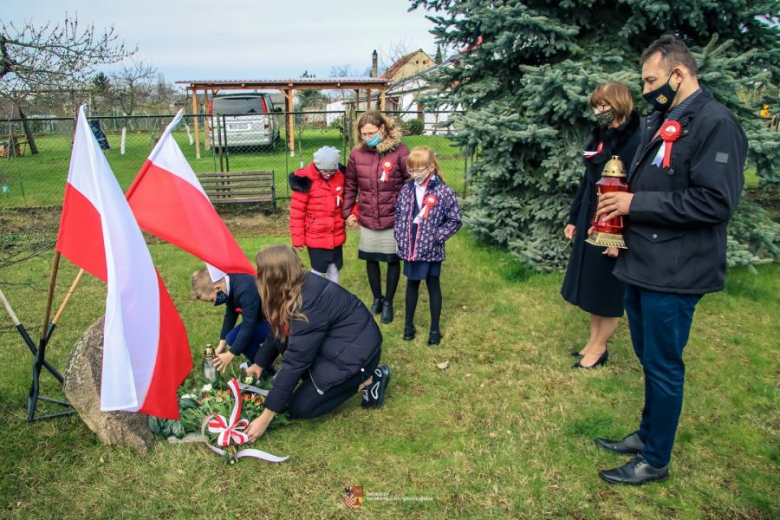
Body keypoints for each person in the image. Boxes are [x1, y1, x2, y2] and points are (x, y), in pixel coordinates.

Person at [593, 35, 747, 485]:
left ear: (679, 75)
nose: (646, 90)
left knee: (663, 364)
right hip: (643, 263)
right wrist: (612, 222)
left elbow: (714, 202)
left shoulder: (717, 123)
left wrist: (632, 206)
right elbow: (653, 183)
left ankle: (655, 459)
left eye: (652, 80)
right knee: (648, 357)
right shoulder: (664, 118)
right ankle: (646, 435)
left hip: (676, 270)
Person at [243, 245, 392, 441]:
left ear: (274, 277)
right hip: (336, 346)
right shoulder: (292, 287)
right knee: (284, 345)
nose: (257, 277)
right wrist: (260, 363)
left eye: (260, 272)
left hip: (357, 356)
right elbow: (278, 332)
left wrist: (266, 415)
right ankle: (330, 380)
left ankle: (370, 380)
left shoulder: (310, 303)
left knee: (300, 408)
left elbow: (296, 361)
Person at [561, 82, 640, 369]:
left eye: (603, 105)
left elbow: (636, 188)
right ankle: (593, 340)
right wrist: (574, 218)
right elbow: (588, 181)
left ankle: (600, 348)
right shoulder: (601, 136)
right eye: (596, 106)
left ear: (619, 103)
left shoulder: (637, 138)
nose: (599, 111)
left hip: (615, 224)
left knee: (607, 289)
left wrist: (619, 236)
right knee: (593, 284)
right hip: (592, 217)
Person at [342, 111, 410, 324]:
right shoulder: (356, 154)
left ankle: (388, 301)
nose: (367, 137)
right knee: (370, 258)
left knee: (391, 260)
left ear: (382, 129)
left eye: (371, 132)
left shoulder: (400, 151)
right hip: (368, 215)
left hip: (393, 217)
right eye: (363, 134)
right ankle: (377, 298)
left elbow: (410, 181)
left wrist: (406, 211)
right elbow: (350, 184)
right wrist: (347, 212)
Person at [393, 147, 462, 346]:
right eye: (411, 170)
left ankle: (434, 330)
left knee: (433, 286)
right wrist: (399, 234)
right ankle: (408, 326)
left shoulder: (444, 192)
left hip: (431, 249)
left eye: (418, 169)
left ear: (430, 167)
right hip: (410, 248)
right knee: (411, 285)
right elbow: (398, 215)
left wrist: (435, 237)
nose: (414, 174)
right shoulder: (406, 189)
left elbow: (454, 220)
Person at [289, 146, 354, 285]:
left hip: (336, 234)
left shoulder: (341, 176)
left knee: (334, 267)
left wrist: (353, 213)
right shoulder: (305, 180)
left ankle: (334, 296)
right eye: (325, 171)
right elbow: (297, 213)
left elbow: (349, 199)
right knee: (317, 270)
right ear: (317, 166)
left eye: (332, 171)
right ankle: (316, 297)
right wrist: (298, 239)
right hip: (315, 236)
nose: (329, 174)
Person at [191, 268, 270, 373]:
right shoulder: (229, 285)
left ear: (217, 289)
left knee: (239, 338)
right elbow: (231, 314)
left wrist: (231, 354)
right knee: (231, 338)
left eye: (212, 300)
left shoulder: (245, 290)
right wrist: (222, 344)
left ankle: (265, 370)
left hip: (276, 321)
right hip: (260, 318)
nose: (214, 303)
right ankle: (256, 361)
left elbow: (249, 326)